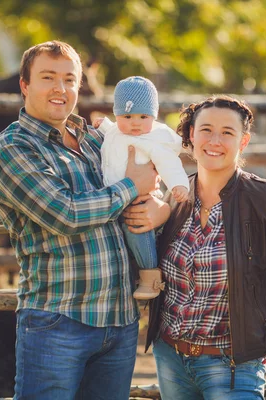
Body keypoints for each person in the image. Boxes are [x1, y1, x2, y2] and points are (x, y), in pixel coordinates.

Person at [0, 40, 169, 400]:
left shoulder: (94, 141)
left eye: (70, 79)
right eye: (48, 77)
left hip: (119, 320)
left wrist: (157, 205)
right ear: (25, 85)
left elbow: (143, 195)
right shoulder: (13, 148)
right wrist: (132, 186)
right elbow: (66, 213)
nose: (61, 88)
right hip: (59, 321)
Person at [137, 95, 266, 399]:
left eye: (227, 132)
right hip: (170, 357)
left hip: (232, 365)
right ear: (191, 135)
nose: (215, 140)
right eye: (206, 130)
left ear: (243, 141)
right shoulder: (177, 197)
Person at [99, 76, 189, 300]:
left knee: (137, 230)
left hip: (139, 199)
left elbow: (169, 164)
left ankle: (150, 275)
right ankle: (133, 274)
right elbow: (112, 134)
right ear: (117, 114)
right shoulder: (118, 131)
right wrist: (103, 125)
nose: (135, 123)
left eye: (143, 116)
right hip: (114, 198)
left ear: (153, 116)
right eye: (127, 116)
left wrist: (179, 184)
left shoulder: (154, 140)